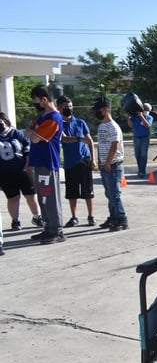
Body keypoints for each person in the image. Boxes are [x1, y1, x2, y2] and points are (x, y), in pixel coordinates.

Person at [25, 85, 64, 244]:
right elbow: (28, 131)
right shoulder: (42, 117)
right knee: (43, 199)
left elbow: (34, 137)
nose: (36, 104)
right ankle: (48, 228)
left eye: (37, 100)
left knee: (50, 198)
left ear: (44, 99)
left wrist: (33, 133)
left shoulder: (54, 118)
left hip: (48, 163)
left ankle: (57, 231)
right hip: (39, 163)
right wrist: (33, 133)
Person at [57, 96, 96, 227]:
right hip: (70, 162)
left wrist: (93, 159)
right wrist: (79, 139)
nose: (69, 109)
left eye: (71, 106)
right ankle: (74, 217)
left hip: (84, 160)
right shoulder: (58, 124)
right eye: (66, 107)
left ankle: (91, 216)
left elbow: (89, 140)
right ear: (59, 108)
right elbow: (65, 139)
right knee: (72, 192)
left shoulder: (80, 122)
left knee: (88, 191)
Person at [0, 111, 43, 230]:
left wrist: (29, 164)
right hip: (5, 172)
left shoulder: (17, 133)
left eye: (1, 122)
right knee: (13, 197)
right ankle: (15, 220)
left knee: (30, 194)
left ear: (6, 121)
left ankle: (37, 216)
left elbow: (27, 148)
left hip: (22, 169)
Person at [94, 96, 128, 231]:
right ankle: (113, 216)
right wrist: (100, 161)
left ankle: (121, 218)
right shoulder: (102, 126)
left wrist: (108, 162)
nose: (98, 112)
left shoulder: (113, 127)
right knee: (109, 193)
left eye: (100, 109)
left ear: (106, 109)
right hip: (105, 165)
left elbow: (115, 145)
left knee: (115, 194)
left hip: (114, 165)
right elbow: (101, 145)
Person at [128, 102, 153, 178]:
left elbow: (147, 125)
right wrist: (129, 117)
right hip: (136, 137)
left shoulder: (149, 117)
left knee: (143, 155)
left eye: (148, 110)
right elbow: (131, 125)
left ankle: (142, 171)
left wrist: (142, 116)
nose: (146, 111)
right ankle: (140, 169)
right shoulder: (135, 117)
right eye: (145, 109)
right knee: (137, 155)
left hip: (145, 137)